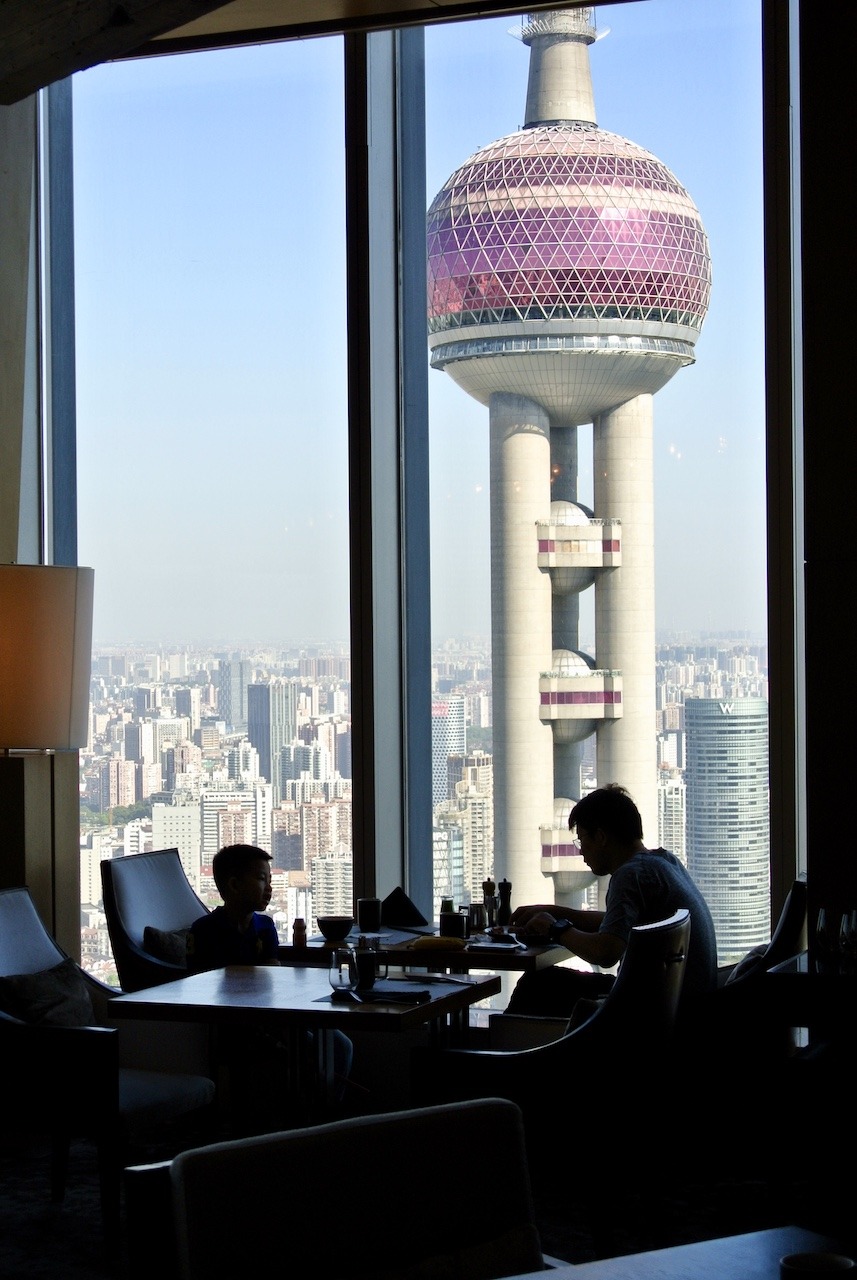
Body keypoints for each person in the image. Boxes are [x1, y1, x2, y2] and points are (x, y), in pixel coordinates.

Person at [506, 783, 718, 1017]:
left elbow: (606, 952)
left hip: (649, 1009)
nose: (581, 851)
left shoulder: (630, 875)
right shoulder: (665, 863)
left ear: (601, 836)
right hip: (680, 1003)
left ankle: (506, 1050)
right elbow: (619, 924)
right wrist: (558, 913)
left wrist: (557, 928)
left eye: (582, 839)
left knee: (536, 985)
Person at [187, 843, 354, 1123]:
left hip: (274, 1015)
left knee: (340, 1046)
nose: (269, 888)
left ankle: (327, 1115)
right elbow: (201, 983)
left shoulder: (265, 927)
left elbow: (272, 975)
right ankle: (308, 1119)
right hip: (233, 1024)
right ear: (234, 885)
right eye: (261, 879)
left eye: (270, 880)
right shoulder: (204, 931)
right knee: (312, 1051)